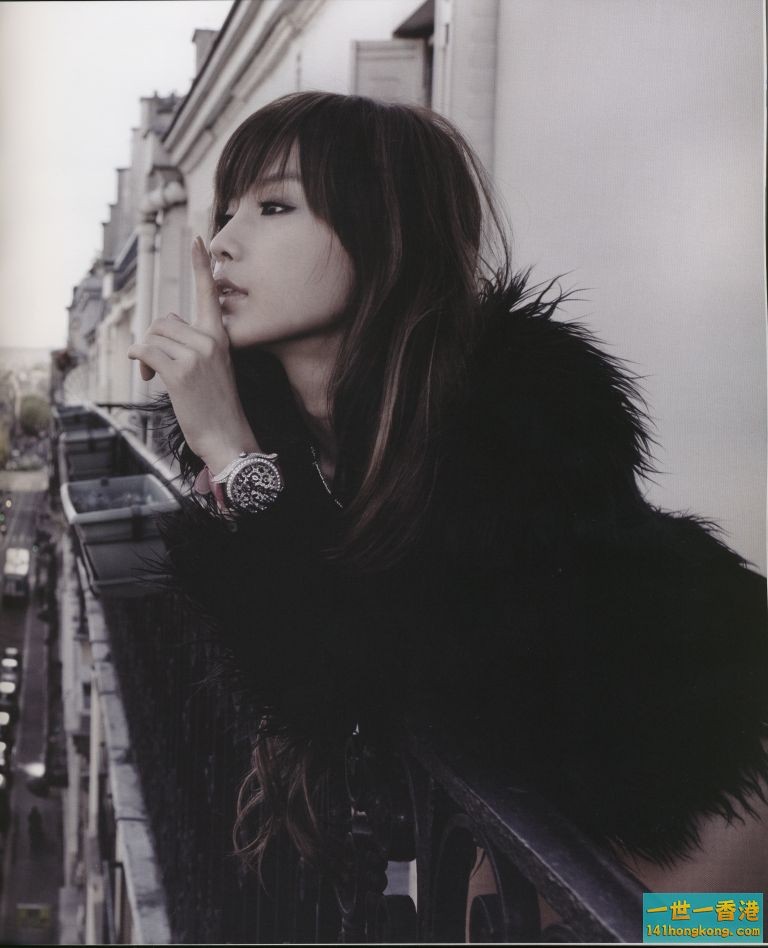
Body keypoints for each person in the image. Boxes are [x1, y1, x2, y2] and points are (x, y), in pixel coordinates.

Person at [128, 92, 767, 888]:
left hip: (720, 770)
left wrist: (231, 452)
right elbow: (316, 684)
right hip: (531, 809)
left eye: (275, 206)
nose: (222, 242)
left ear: (384, 232)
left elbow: (394, 660)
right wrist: (237, 455)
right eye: (226, 212)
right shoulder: (293, 438)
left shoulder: (521, 414)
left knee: (693, 939)